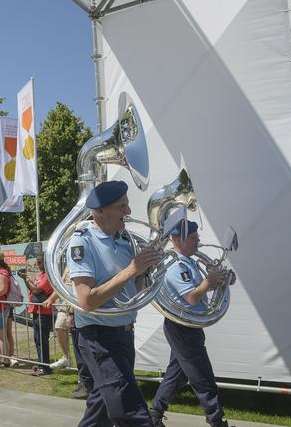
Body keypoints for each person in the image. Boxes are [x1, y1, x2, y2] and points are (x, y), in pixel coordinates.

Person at [66, 180, 162, 427]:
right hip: (99, 338)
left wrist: (146, 272)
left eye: (126, 205)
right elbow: (87, 300)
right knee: (131, 413)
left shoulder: (125, 241)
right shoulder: (82, 241)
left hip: (123, 335)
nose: (128, 212)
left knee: (100, 410)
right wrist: (132, 269)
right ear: (99, 212)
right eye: (121, 207)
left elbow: (133, 292)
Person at [149, 221, 234, 427]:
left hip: (187, 327)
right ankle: (217, 422)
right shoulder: (176, 266)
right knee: (203, 378)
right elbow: (191, 297)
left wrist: (222, 280)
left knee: (176, 375)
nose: (198, 241)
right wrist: (210, 281)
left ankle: (154, 416)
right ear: (178, 240)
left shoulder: (188, 262)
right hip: (183, 328)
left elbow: (200, 291)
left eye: (197, 236)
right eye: (194, 237)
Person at [19, 254, 54, 375]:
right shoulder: (41, 275)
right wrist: (26, 280)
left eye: (39, 263)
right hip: (36, 311)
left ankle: (45, 367)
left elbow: (36, 290)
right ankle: (41, 364)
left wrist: (26, 279)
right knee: (38, 339)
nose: (38, 266)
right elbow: (32, 289)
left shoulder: (49, 276)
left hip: (44, 312)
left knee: (42, 340)